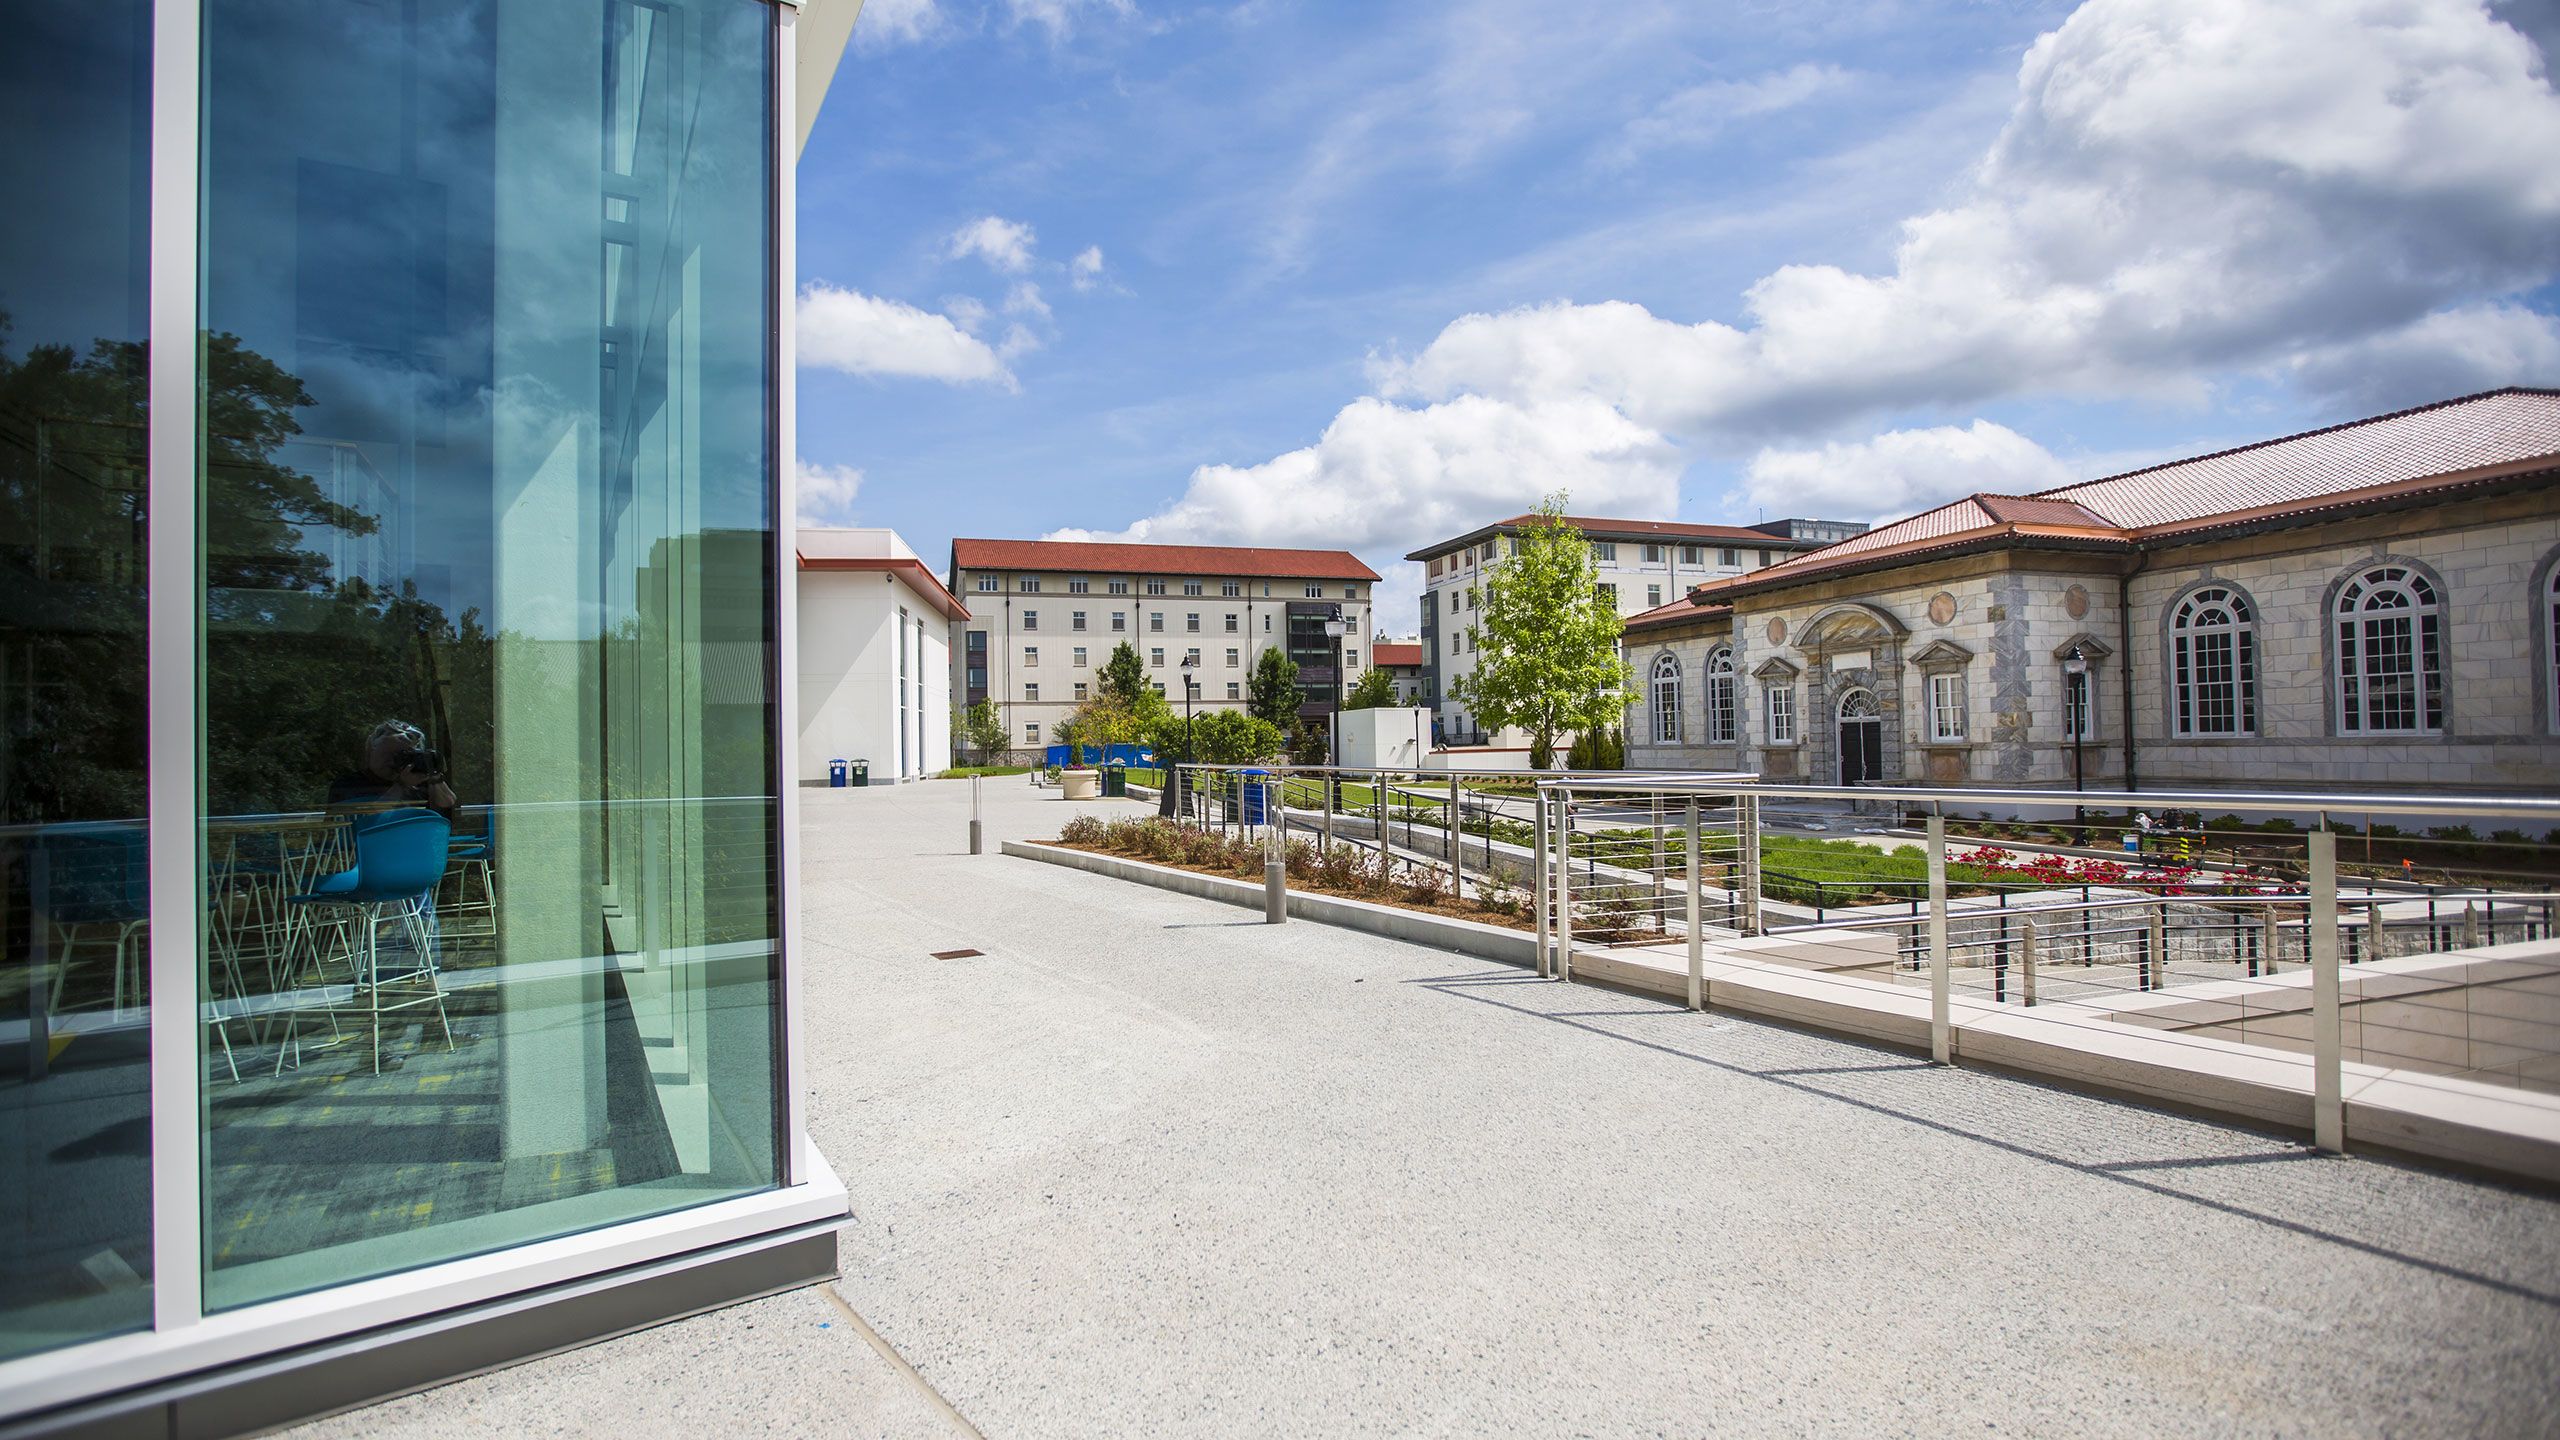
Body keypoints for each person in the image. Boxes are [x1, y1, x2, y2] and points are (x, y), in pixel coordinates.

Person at [328, 719, 458, 822]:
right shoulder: (349, 784)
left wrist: (433, 774)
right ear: (372, 748)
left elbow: (447, 803)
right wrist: (401, 786)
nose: (393, 761)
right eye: (389, 754)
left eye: (403, 755)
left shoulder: (417, 783)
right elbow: (366, 821)